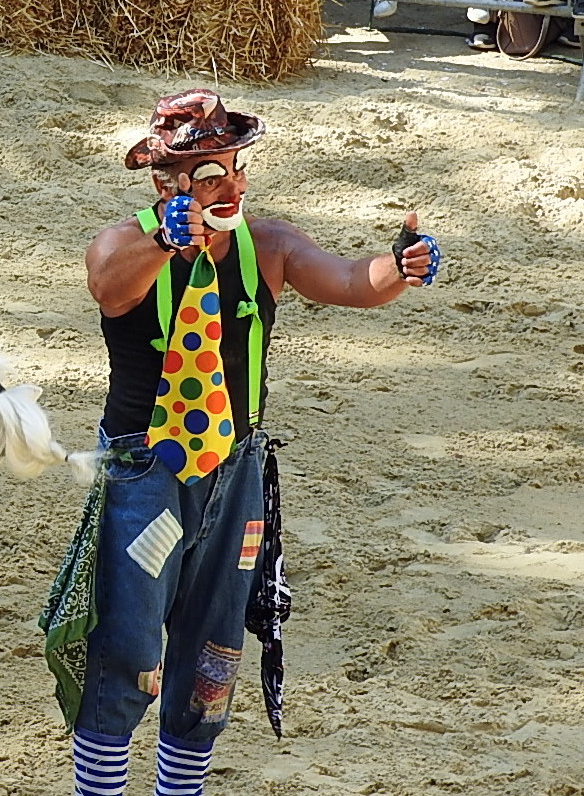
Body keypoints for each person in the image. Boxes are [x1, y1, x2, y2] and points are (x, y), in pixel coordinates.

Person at [42, 88, 440, 796]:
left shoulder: (270, 246)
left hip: (236, 469)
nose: (234, 186)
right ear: (167, 183)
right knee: (127, 643)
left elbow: (350, 280)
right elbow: (110, 285)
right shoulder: (123, 243)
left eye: (235, 169)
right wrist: (167, 240)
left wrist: (397, 267)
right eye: (212, 174)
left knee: (213, 645)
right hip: (144, 472)